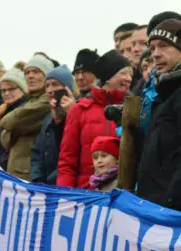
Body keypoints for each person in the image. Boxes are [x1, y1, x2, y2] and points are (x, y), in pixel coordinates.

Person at [57, 50, 131, 188]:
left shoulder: (135, 108)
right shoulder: (79, 110)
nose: (129, 79)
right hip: (88, 196)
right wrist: (65, 197)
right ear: (108, 77)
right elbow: (67, 161)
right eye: (123, 73)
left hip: (124, 196)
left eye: (130, 74)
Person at [136, 19, 181, 210]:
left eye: (163, 46)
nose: (155, 54)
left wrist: (170, 205)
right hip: (155, 210)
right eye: (152, 47)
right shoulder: (164, 95)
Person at [0, 55, 53, 180]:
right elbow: (4, 138)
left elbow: (11, 121)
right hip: (17, 173)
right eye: (27, 72)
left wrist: (12, 126)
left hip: (31, 176)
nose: (30, 76)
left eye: (36, 72)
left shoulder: (47, 100)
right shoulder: (31, 101)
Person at [31, 66, 77, 184]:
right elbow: (37, 153)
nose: (50, 90)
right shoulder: (48, 118)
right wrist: (37, 180)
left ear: (67, 88)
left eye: (55, 84)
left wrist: (72, 114)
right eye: (47, 86)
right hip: (45, 187)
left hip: (66, 185)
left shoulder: (80, 112)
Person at [0, 68, 28, 169]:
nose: (6, 93)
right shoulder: (3, 110)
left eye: (11, 89)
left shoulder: (24, 110)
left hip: (10, 169)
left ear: (22, 89)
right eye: (3, 90)